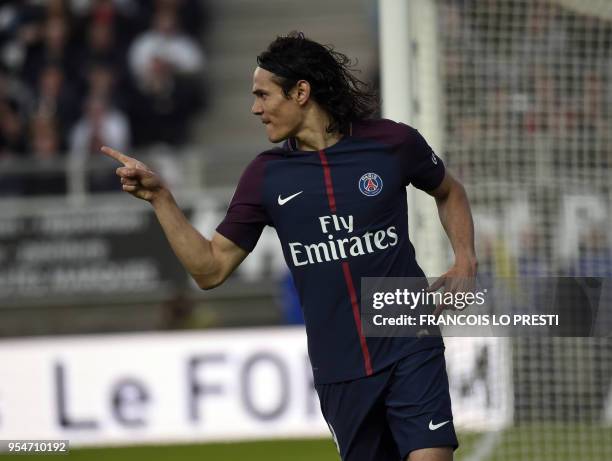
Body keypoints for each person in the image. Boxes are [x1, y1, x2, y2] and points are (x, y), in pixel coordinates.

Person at [102, 32, 477, 461]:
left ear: (301, 92)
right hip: (340, 369)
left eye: (263, 95)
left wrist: (464, 261)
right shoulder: (266, 177)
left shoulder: (392, 143)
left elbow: (449, 191)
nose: (255, 108)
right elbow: (210, 269)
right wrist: (161, 199)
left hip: (410, 338)